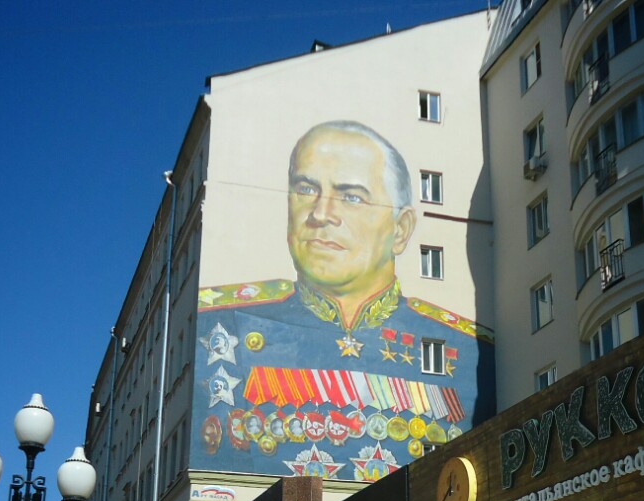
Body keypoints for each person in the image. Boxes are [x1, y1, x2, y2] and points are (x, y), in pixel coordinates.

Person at [194, 120, 493, 479]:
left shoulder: (467, 346)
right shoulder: (222, 325)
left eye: (352, 197)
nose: (320, 214)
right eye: (306, 189)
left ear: (400, 230)